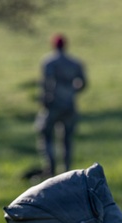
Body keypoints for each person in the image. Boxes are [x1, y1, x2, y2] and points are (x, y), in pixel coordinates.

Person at [36, 34, 87, 177]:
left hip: (53, 104)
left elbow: (46, 83)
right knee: (67, 139)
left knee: (46, 135)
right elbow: (83, 83)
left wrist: (45, 99)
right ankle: (67, 171)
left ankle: (50, 168)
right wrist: (71, 91)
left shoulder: (49, 62)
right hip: (69, 104)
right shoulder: (75, 63)